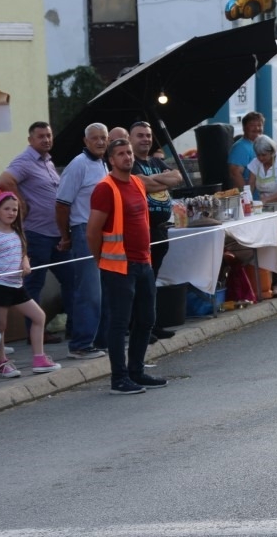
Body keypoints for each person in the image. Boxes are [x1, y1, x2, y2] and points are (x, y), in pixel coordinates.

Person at [86, 138, 168, 395]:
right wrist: (101, 260)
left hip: (143, 261)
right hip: (119, 267)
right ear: (111, 159)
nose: (127, 157)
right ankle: (118, 378)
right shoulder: (105, 188)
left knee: (146, 320)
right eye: (121, 154)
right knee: (119, 323)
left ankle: (136, 371)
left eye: (129, 153)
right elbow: (92, 231)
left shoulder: (136, 183)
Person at [0, 121, 73, 344]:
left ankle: (74, 327)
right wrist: (20, 201)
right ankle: (35, 334)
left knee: (71, 279)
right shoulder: (25, 160)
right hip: (37, 233)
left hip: (57, 233)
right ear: (31, 140)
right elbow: (4, 181)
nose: (46, 140)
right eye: (41, 136)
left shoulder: (48, 162)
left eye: (49, 135)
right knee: (34, 284)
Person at [0, 192, 62, 378]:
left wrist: (25, 263)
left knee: (39, 316)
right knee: (0, 326)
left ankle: (39, 358)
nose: (11, 213)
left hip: (17, 286)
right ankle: (2, 363)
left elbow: (23, 253)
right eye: (6, 209)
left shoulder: (18, 233)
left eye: (14, 210)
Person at [54, 122, 109, 359]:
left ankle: (98, 340)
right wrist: (65, 235)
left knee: (103, 289)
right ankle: (80, 344)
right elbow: (61, 204)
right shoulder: (79, 165)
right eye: (94, 138)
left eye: (103, 138)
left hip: (104, 231)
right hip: (84, 230)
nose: (99, 142)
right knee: (89, 290)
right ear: (85, 141)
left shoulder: (103, 164)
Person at [129, 120, 184, 339]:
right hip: (144, 229)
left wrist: (153, 181)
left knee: (153, 280)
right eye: (140, 135)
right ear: (131, 138)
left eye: (148, 135)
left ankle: (152, 324)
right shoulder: (130, 162)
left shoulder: (155, 161)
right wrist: (163, 182)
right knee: (142, 282)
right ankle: (139, 327)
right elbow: (139, 183)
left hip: (162, 229)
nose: (145, 139)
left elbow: (177, 176)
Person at [247, 134, 277, 296]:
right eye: (259, 155)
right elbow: (251, 185)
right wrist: (246, 200)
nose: (261, 158)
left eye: (264, 155)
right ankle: (266, 280)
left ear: (272, 153)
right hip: (265, 208)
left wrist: (267, 199)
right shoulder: (255, 164)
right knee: (268, 243)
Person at [228, 112, 265, 190]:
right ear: (244, 128)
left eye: (259, 125)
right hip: (252, 200)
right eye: (252, 125)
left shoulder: (259, 144)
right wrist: (247, 196)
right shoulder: (240, 147)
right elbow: (235, 173)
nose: (257, 128)